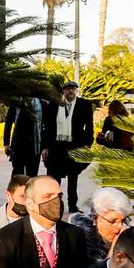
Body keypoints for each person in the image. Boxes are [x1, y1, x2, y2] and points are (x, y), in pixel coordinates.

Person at [41, 82, 95, 211]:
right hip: (56, 146)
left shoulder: (84, 104)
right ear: (63, 91)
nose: (70, 91)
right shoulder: (54, 104)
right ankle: (54, 204)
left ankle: (72, 205)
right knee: (54, 178)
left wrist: (88, 144)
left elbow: (89, 126)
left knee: (73, 177)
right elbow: (47, 127)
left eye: (72, 89)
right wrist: (45, 147)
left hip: (75, 145)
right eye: (67, 89)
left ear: (76, 90)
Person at [66, 186, 134, 258]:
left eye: (123, 220)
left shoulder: (127, 231)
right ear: (95, 218)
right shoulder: (79, 241)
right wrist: (115, 249)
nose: (120, 227)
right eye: (113, 221)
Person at [4, 95, 44, 178]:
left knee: (32, 176)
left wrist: (45, 147)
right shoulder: (16, 103)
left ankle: (29, 191)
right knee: (17, 175)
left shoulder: (41, 103)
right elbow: (8, 123)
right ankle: (17, 191)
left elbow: (46, 125)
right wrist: (6, 143)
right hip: (18, 144)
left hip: (35, 146)